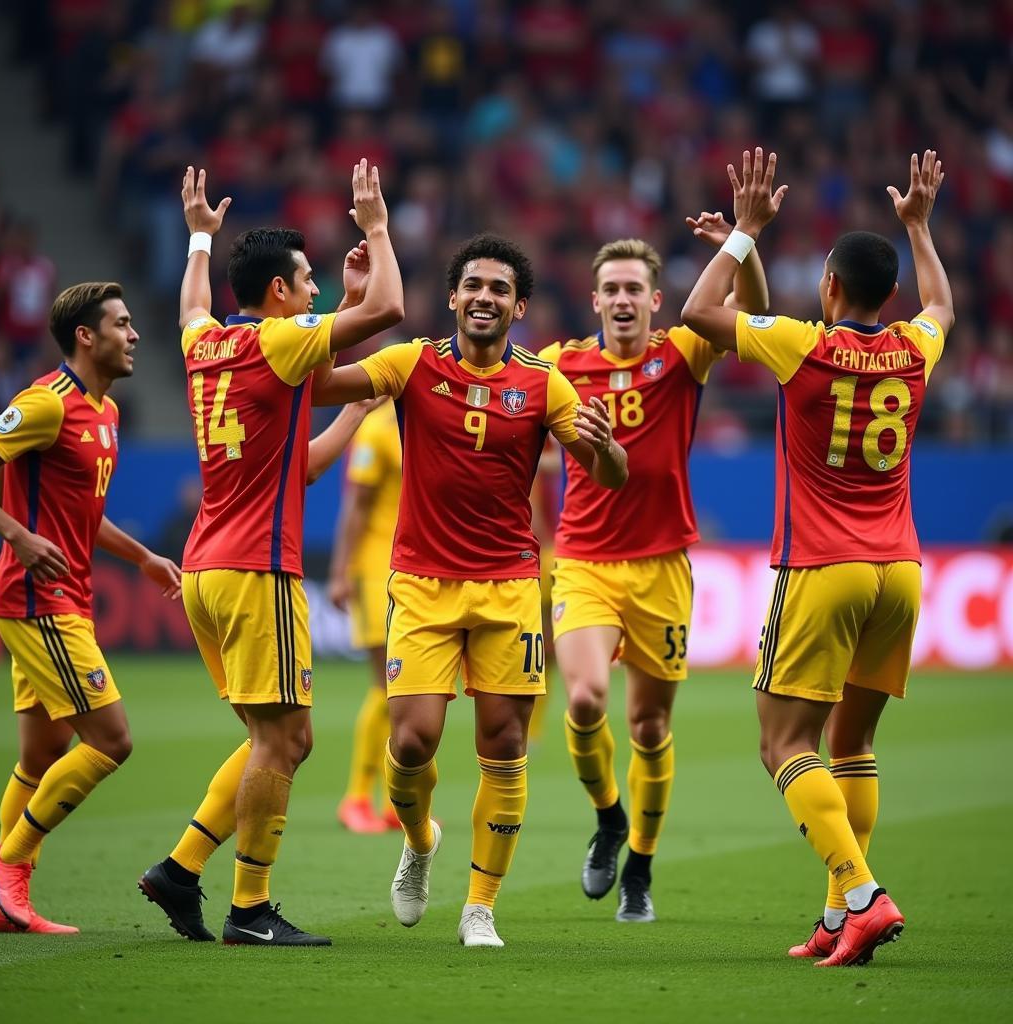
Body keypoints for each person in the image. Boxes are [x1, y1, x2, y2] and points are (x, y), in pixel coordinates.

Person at [312, 233, 628, 948]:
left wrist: (605, 445)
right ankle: (421, 841)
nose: (484, 297)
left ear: (519, 306)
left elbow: (610, 476)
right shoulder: (412, 363)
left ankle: (480, 906)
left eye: (499, 289)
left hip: (510, 584)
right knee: (413, 741)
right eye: (473, 286)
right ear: (453, 297)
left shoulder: (545, 383)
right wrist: (354, 303)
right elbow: (321, 382)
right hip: (422, 584)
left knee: (505, 740)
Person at [681, 148, 953, 967]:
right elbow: (943, 300)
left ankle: (862, 894)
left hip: (823, 568)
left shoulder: (804, 345)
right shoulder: (914, 346)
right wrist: (921, 226)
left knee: (783, 741)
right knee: (854, 745)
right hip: (900, 573)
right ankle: (839, 917)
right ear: (889, 294)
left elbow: (698, 312)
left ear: (829, 288)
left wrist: (746, 236)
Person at [138, 159, 403, 947]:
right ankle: (250, 910)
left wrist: (196, 238)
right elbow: (390, 307)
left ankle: (180, 871)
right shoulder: (278, 344)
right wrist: (377, 228)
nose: (318, 289)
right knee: (287, 741)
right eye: (310, 280)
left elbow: (308, 458)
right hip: (258, 568)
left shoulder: (207, 344)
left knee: (272, 739)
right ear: (279, 294)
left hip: (207, 568)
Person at [538, 225, 768, 923]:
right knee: (583, 700)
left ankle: (639, 861)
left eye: (634, 288)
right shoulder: (560, 365)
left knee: (647, 727)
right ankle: (609, 817)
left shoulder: (683, 352)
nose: (622, 299)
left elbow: (755, 318)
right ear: (595, 300)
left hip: (663, 566)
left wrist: (745, 241)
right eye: (610, 289)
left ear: (656, 300)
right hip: (583, 562)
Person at [0, 282, 181, 933]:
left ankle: (3, 907)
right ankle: (8, 861)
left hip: (61, 596)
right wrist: (15, 533)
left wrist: (144, 558)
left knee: (41, 756)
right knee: (111, 739)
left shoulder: (107, 411)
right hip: (38, 598)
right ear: (85, 337)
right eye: (123, 325)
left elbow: (83, 513)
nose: (135, 336)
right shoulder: (46, 404)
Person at [327, 395, 402, 834]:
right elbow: (355, 505)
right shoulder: (377, 428)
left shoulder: (419, 418)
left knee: (408, 694)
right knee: (387, 686)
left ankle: (395, 801)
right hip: (376, 570)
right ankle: (355, 798)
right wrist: (341, 572)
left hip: (412, 570)